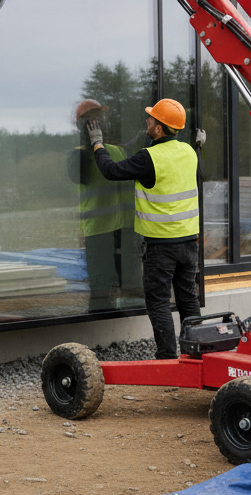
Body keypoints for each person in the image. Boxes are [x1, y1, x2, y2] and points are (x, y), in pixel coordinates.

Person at [85, 98, 200, 359]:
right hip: (188, 242)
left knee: (158, 302)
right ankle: (197, 354)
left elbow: (111, 170)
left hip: (161, 246)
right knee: (188, 300)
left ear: (159, 128)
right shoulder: (189, 152)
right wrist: (200, 145)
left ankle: (168, 358)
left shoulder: (150, 158)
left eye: (151, 118)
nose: (146, 120)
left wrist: (97, 143)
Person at [67, 99, 134, 311]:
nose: (99, 123)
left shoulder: (109, 152)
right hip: (112, 231)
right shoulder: (86, 154)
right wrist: (96, 145)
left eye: (99, 119)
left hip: (108, 231)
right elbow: (81, 176)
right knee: (114, 286)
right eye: (95, 120)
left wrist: (96, 145)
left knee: (109, 287)